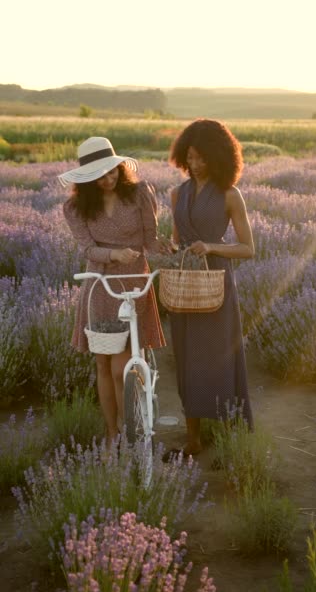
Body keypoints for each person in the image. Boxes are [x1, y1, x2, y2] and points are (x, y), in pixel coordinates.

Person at [58, 136, 165, 446]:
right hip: (101, 283)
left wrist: (170, 252)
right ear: (87, 179)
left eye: (112, 171)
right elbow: (88, 248)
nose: (108, 179)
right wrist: (113, 255)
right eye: (99, 175)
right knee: (103, 363)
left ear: (119, 167)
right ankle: (111, 433)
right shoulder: (76, 207)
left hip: (134, 280)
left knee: (121, 367)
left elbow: (151, 240)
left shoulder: (140, 194)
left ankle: (133, 433)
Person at [165, 118, 254, 459]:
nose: (196, 165)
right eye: (190, 157)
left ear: (218, 158)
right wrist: (169, 250)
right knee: (187, 359)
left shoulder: (231, 195)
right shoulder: (177, 194)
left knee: (221, 359)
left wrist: (212, 247)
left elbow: (248, 248)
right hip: (186, 285)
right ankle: (193, 439)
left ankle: (232, 435)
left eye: (202, 158)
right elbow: (177, 242)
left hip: (217, 283)